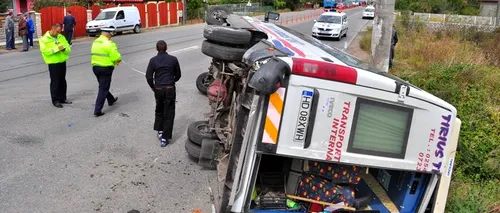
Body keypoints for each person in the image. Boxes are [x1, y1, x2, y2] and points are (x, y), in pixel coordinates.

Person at [145, 40, 182, 147]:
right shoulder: (173, 59)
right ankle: (165, 138)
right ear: (166, 48)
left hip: (159, 89)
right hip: (170, 87)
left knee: (159, 109)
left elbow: (148, 77)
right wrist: (172, 81)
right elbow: (178, 74)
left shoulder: (153, 60)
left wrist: (153, 87)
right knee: (169, 112)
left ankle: (159, 130)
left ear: (156, 49)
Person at [39, 23, 72, 108]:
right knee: (55, 82)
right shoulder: (44, 39)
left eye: (59, 31)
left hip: (62, 61)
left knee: (62, 80)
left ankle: (63, 98)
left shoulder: (61, 37)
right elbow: (45, 51)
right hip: (53, 63)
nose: (58, 33)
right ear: (52, 29)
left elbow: (68, 48)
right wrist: (57, 49)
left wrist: (64, 49)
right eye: (57, 31)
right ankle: (55, 100)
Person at [90, 28, 120, 117]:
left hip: (95, 67)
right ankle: (97, 110)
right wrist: (118, 59)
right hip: (105, 68)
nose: (111, 36)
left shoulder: (95, 42)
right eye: (111, 34)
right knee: (103, 88)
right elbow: (115, 57)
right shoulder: (110, 43)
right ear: (108, 34)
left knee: (103, 86)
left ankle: (111, 99)